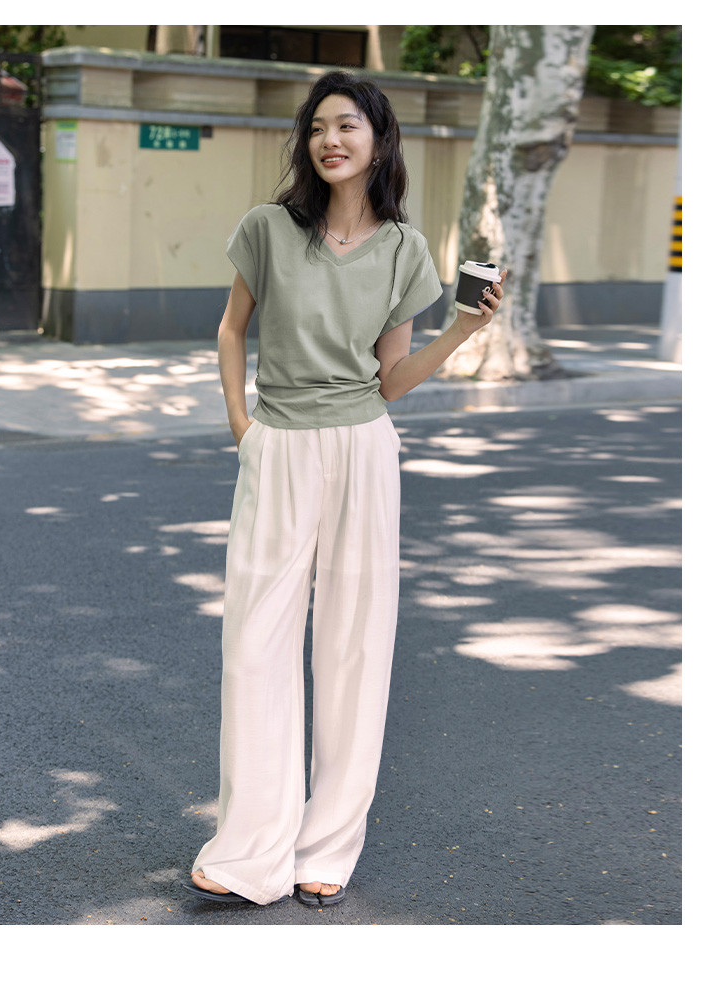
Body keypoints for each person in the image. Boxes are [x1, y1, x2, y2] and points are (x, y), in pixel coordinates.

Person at [182, 70, 505, 908]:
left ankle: (325, 845)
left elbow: (390, 380)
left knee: (355, 646)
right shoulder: (267, 228)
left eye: (348, 125)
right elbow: (231, 328)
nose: (330, 139)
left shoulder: (404, 250)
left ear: (378, 139)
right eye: (319, 126)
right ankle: (249, 851)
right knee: (255, 644)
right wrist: (242, 425)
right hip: (278, 444)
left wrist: (463, 331)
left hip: (363, 446)